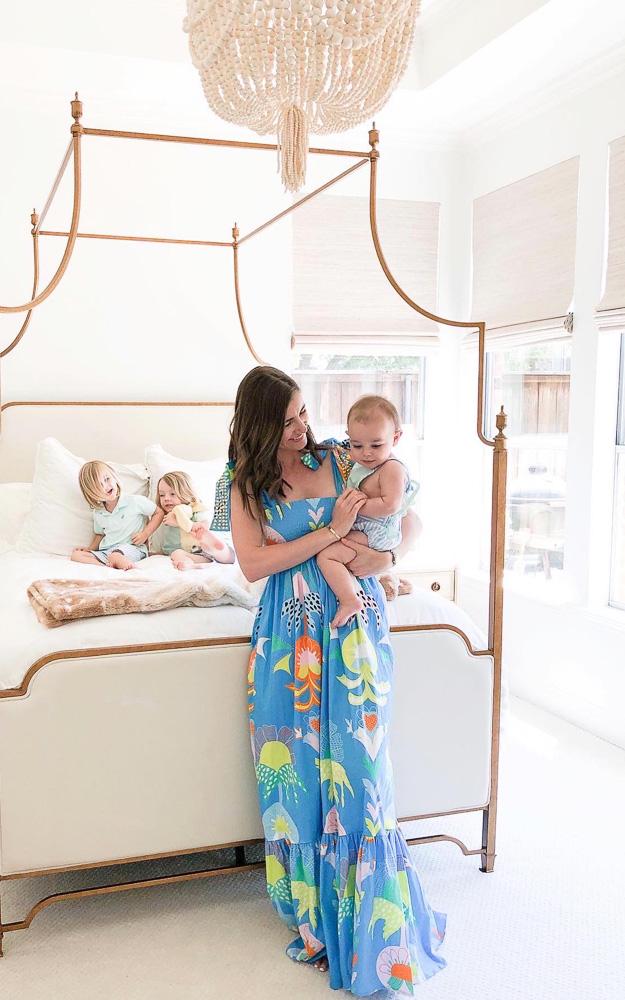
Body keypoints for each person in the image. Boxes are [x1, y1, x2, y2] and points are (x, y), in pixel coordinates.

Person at [225, 366, 446, 996]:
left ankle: (370, 916)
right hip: (286, 638)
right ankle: (316, 919)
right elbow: (252, 563)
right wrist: (329, 532)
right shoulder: (243, 483)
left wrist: (388, 557)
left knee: (360, 768)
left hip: (351, 631)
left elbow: (412, 514)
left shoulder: (343, 456)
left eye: (302, 414)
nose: (303, 428)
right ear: (260, 424)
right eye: (289, 419)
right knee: (295, 774)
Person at [317, 395, 419, 627]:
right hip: (369, 527)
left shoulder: (392, 468)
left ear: (396, 438)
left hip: (379, 531)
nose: (366, 453)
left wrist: (355, 505)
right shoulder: (359, 465)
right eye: (357, 445)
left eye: (376, 445)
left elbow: (392, 505)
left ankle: (349, 600)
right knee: (329, 548)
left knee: (327, 555)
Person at [70, 460, 163, 570]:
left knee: (115, 555)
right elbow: (100, 535)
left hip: (132, 549)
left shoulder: (134, 501)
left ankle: (121, 564)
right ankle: (105, 567)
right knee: (76, 555)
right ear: (92, 493)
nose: (105, 486)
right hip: (107, 552)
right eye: (99, 486)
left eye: (107, 479)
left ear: (114, 476)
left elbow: (159, 512)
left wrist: (145, 534)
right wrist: (90, 549)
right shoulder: (98, 512)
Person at [155, 471, 235, 570]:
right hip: (198, 556)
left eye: (172, 494)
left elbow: (205, 526)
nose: (166, 498)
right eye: (162, 495)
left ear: (187, 493)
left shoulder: (195, 509)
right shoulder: (168, 516)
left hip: (203, 548)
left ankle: (216, 548)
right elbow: (169, 547)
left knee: (225, 553)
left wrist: (179, 522)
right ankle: (190, 565)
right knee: (177, 553)